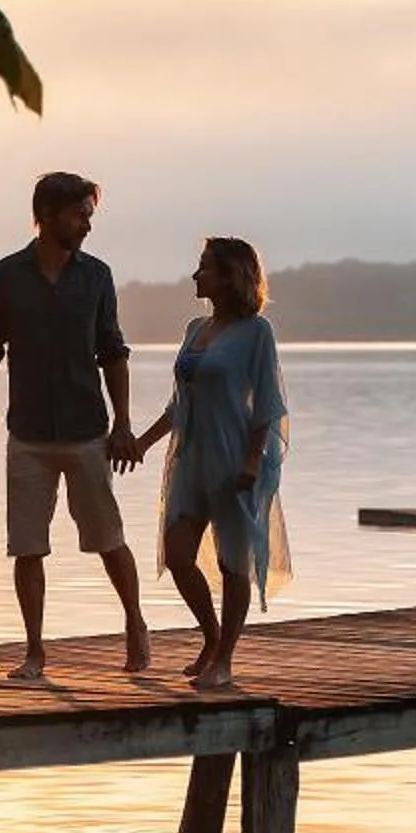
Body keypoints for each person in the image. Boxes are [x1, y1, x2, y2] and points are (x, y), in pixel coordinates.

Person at [0, 172, 150, 681]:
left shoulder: (96, 277)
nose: (87, 225)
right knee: (27, 545)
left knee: (107, 537)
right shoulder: (6, 277)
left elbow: (112, 352)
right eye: (79, 215)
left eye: (90, 215)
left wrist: (124, 424)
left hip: (87, 431)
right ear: (47, 216)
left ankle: (135, 622)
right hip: (27, 433)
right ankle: (34, 651)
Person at [129, 237, 289, 692]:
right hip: (189, 457)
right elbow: (179, 403)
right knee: (178, 555)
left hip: (234, 455)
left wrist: (254, 460)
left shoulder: (257, 332)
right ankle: (212, 636)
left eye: (204, 268)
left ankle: (225, 659)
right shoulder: (194, 328)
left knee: (233, 562)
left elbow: (268, 403)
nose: (195, 275)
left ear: (230, 275)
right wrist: (141, 442)